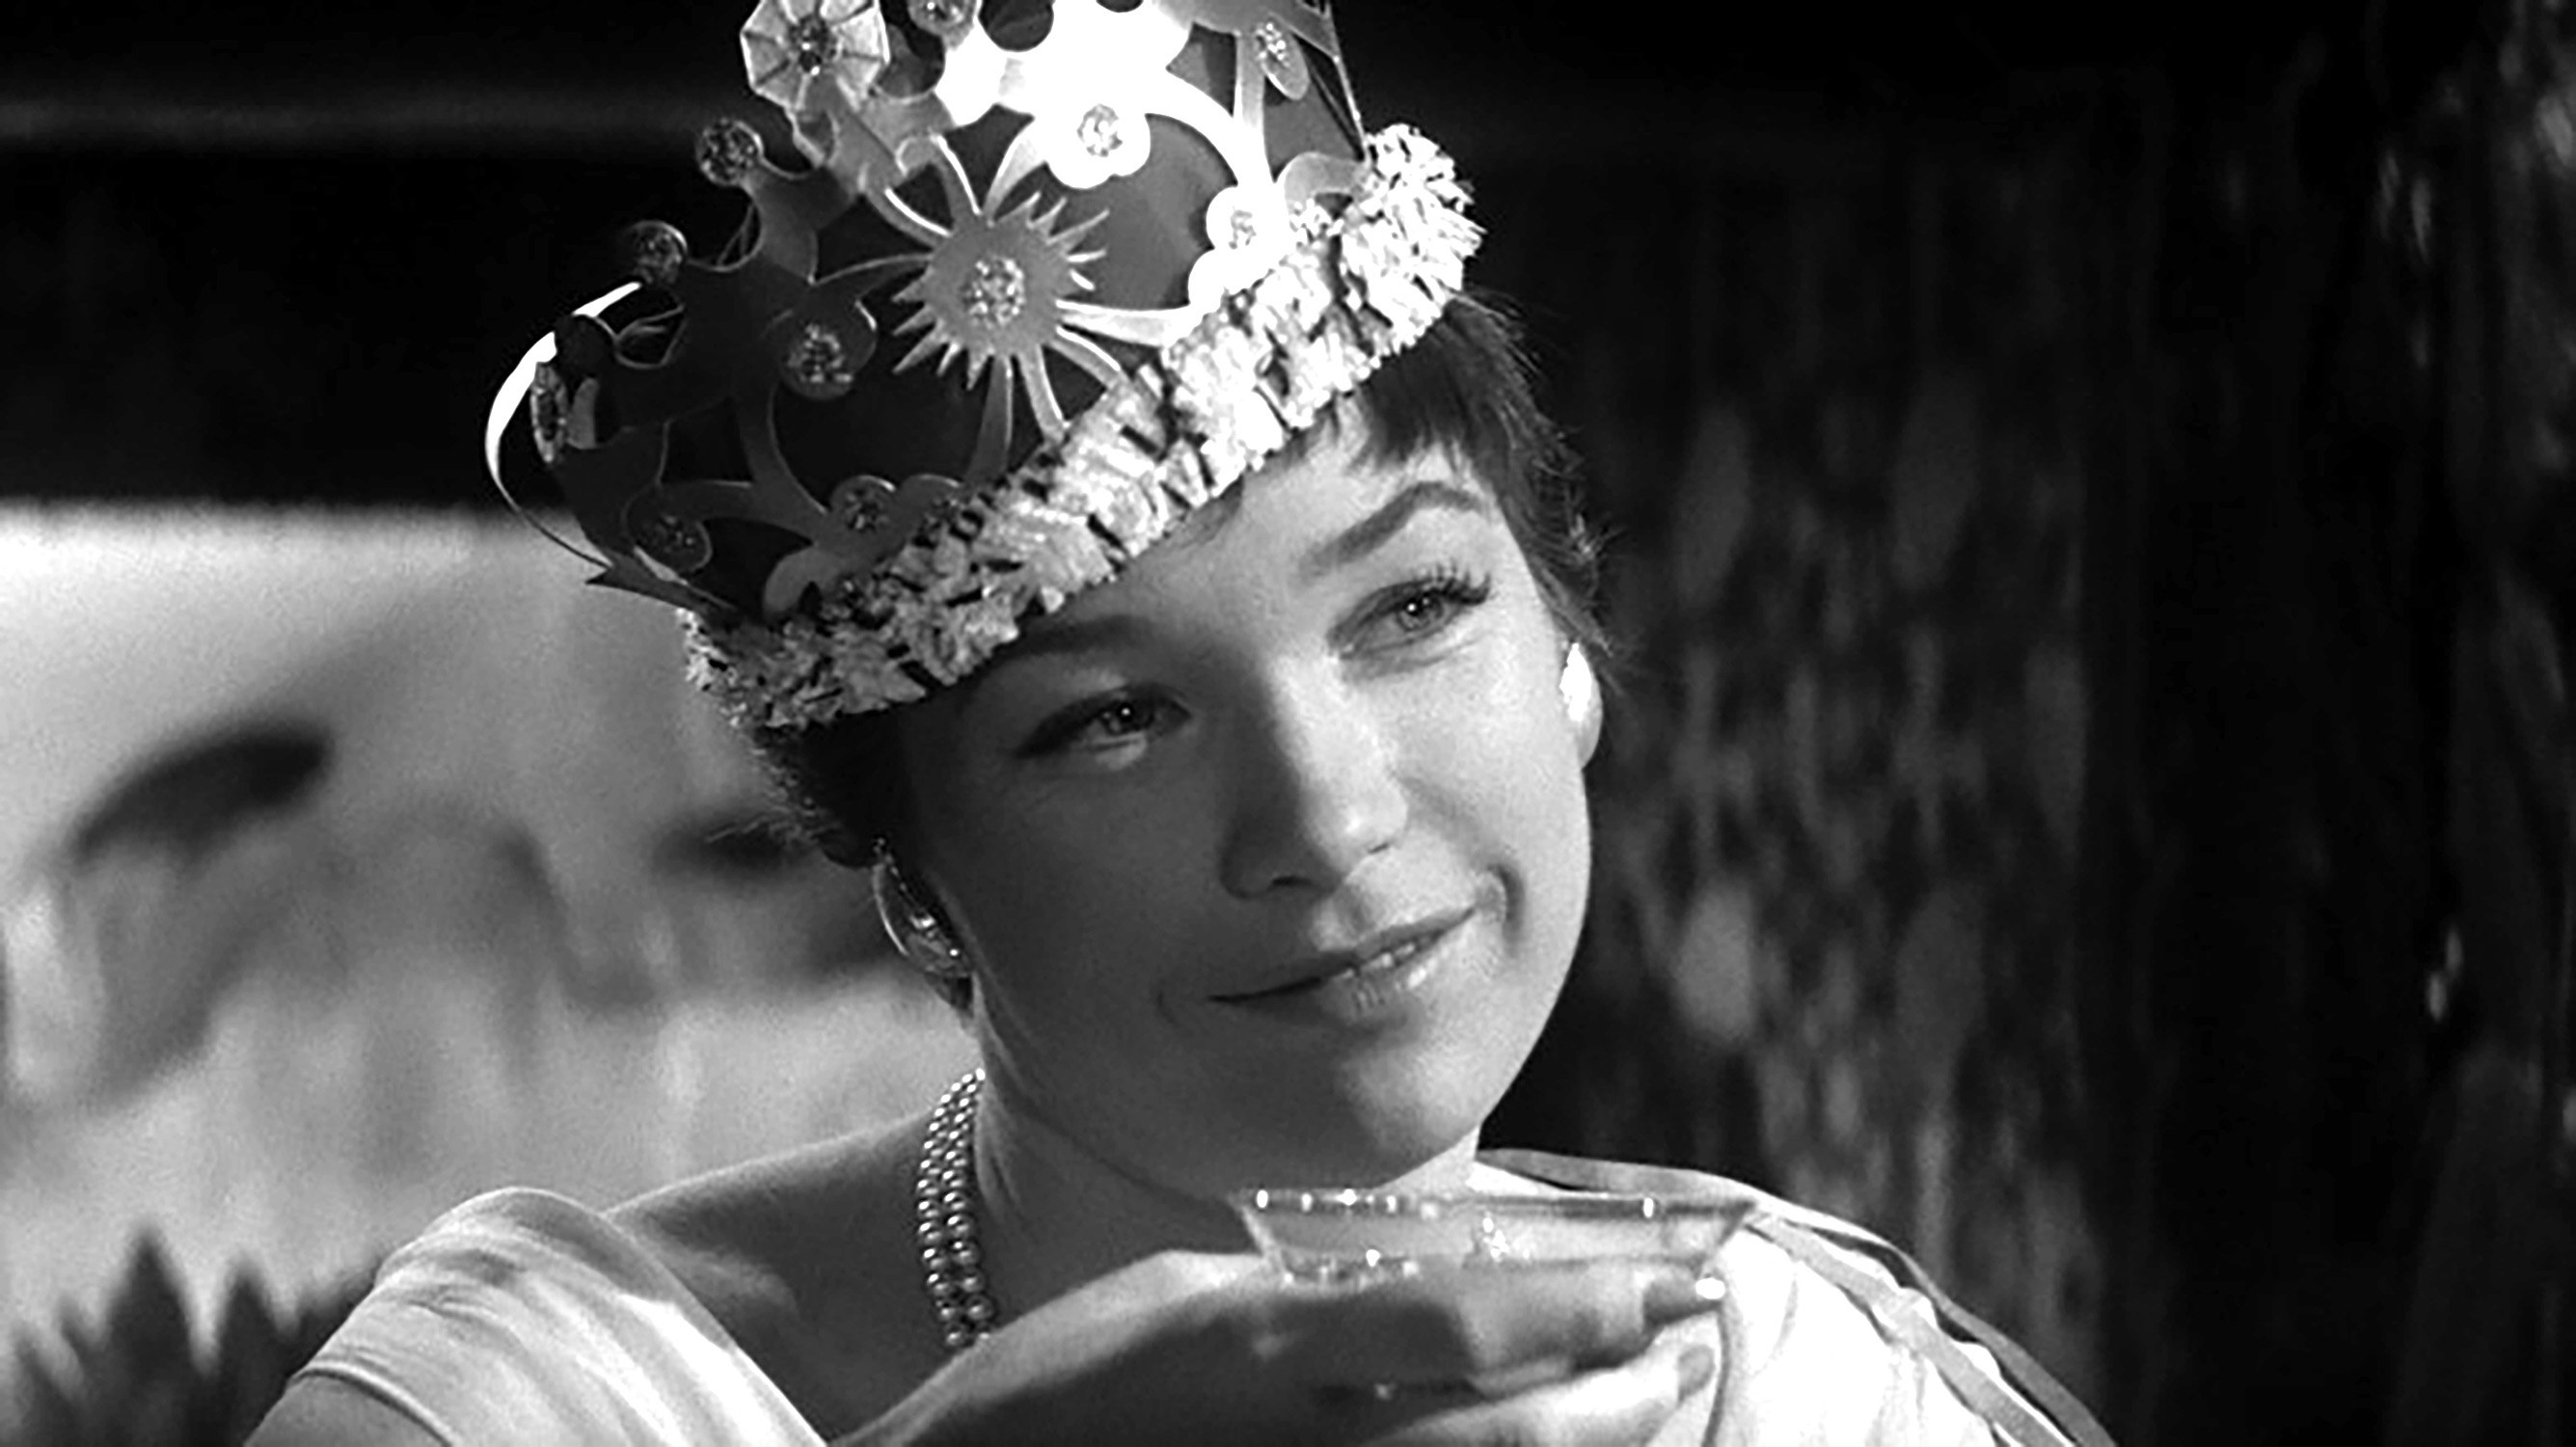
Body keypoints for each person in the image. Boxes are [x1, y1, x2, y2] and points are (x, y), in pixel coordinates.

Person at [254, 1, 2113, 1441]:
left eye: (1413, 608)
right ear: (916, 888)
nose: (1325, 815)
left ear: (1572, 650)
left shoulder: (1801, 1377)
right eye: (1117, 716)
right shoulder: (535, 1395)